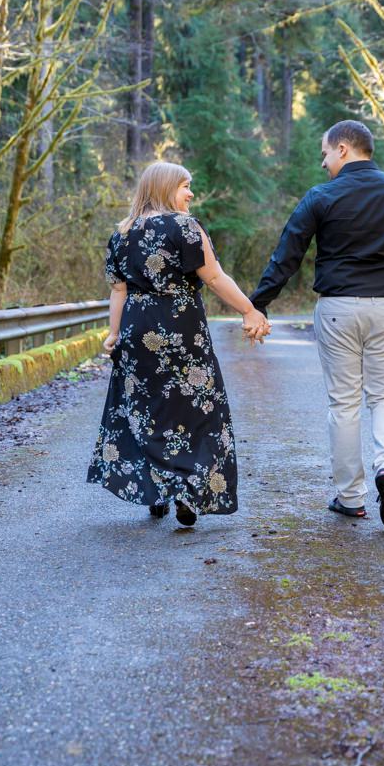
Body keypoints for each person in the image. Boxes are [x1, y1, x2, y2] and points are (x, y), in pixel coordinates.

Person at [248, 120, 384, 530]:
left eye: (325, 153)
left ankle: (351, 498)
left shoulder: (321, 197)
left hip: (337, 309)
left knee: (344, 403)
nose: (323, 162)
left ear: (342, 149)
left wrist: (257, 305)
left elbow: (287, 256)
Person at [88, 162, 271, 527]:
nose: (190, 194)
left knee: (143, 411)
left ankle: (157, 488)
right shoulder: (185, 227)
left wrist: (113, 333)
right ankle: (188, 489)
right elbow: (215, 277)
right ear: (166, 187)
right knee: (194, 411)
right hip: (181, 327)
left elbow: (118, 290)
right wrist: (249, 311)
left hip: (137, 330)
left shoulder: (121, 233)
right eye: (185, 186)